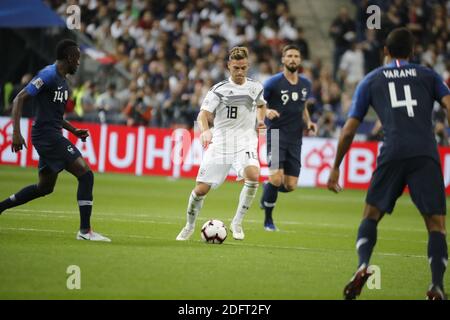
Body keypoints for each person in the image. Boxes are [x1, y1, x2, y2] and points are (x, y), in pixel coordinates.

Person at [327, 28, 449, 300]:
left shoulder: (371, 80)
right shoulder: (428, 75)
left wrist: (336, 167)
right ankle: (436, 285)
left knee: (370, 215)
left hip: (392, 151)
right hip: (425, 153)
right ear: (413, 51)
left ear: (385, 51)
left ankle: (362, 265)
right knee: (436, 226)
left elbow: (348, 130)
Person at [0, 39, 110, 242]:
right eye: (77, 59)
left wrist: (74, 131)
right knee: (86, 175)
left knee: (45, 187)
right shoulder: (48, 75)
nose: (78, 63)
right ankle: (85, 232)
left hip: (53, 134)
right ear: (69, 57)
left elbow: (56, 117)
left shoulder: (63, 81)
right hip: (47, 137)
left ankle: (1, 207)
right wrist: (15, 132)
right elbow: (19, 99)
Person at [176, 46, 267, 241]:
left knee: (253, 176)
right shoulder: (218, 90)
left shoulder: (256, 87)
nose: (240, 72)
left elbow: (261, 104)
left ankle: (237, 222)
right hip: (221, 143)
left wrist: (260, 120)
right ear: (229, 66)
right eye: (236, 68)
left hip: (245, 143)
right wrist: (206, 130)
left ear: (248, 66)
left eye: (243, 67)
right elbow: (203, 114)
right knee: (200, 190)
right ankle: (189, 225)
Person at [260, 44, 317, 231]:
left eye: (296, 56)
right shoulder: (272, 83)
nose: (293, 59)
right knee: (277, 178)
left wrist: (308, 122)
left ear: (300, 60)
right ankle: (268, 221)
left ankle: (267, 188)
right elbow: (256, 103)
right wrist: (266, 112)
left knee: (290, 185)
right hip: (276, 135)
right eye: (289, 56)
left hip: (295, 137)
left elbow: (303, 106)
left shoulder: (306, 84)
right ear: (283, 60)